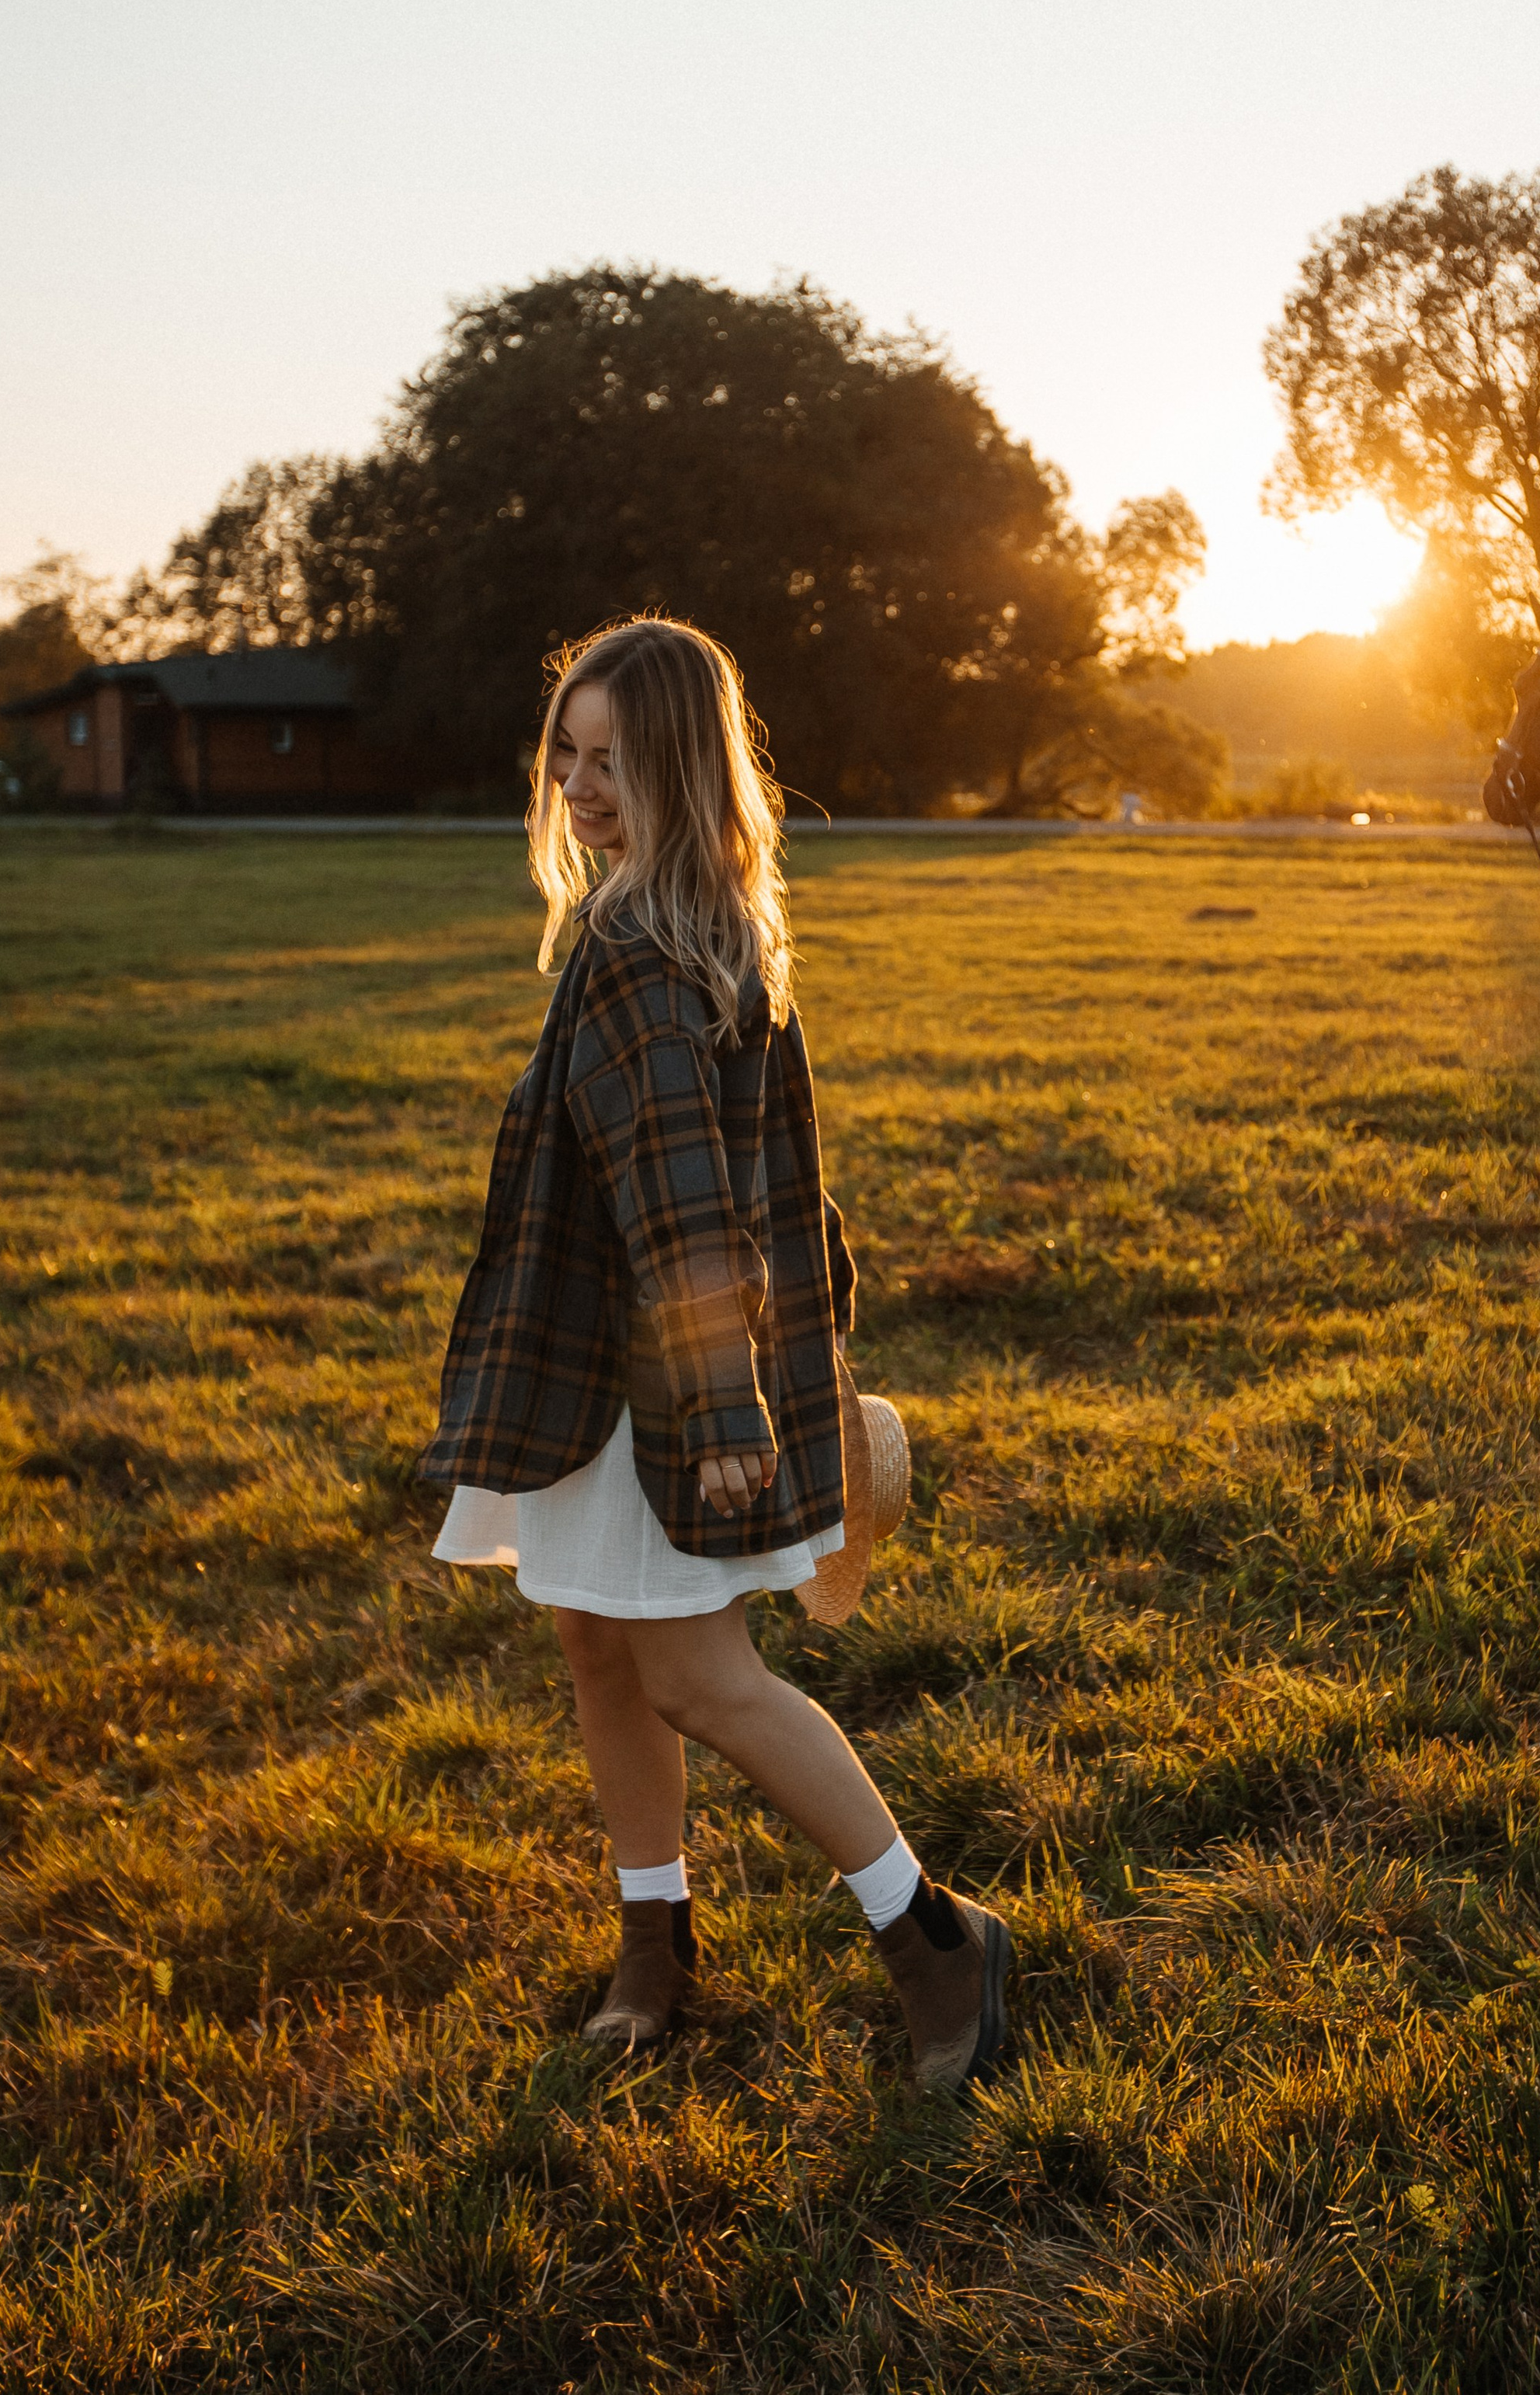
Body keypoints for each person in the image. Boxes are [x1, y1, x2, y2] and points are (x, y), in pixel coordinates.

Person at [421, 615, 1012, 2089]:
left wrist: (729, 1401)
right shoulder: (678, 921)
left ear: (684, 768)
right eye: (567, 750)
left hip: (662, 1386)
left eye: (615, 758)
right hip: (597, 1378)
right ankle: (656, 1940)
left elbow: (690, 1198)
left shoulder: (646, 948)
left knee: (697, 1676)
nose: (579, 782)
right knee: (595, 1645)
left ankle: (935, 1937)